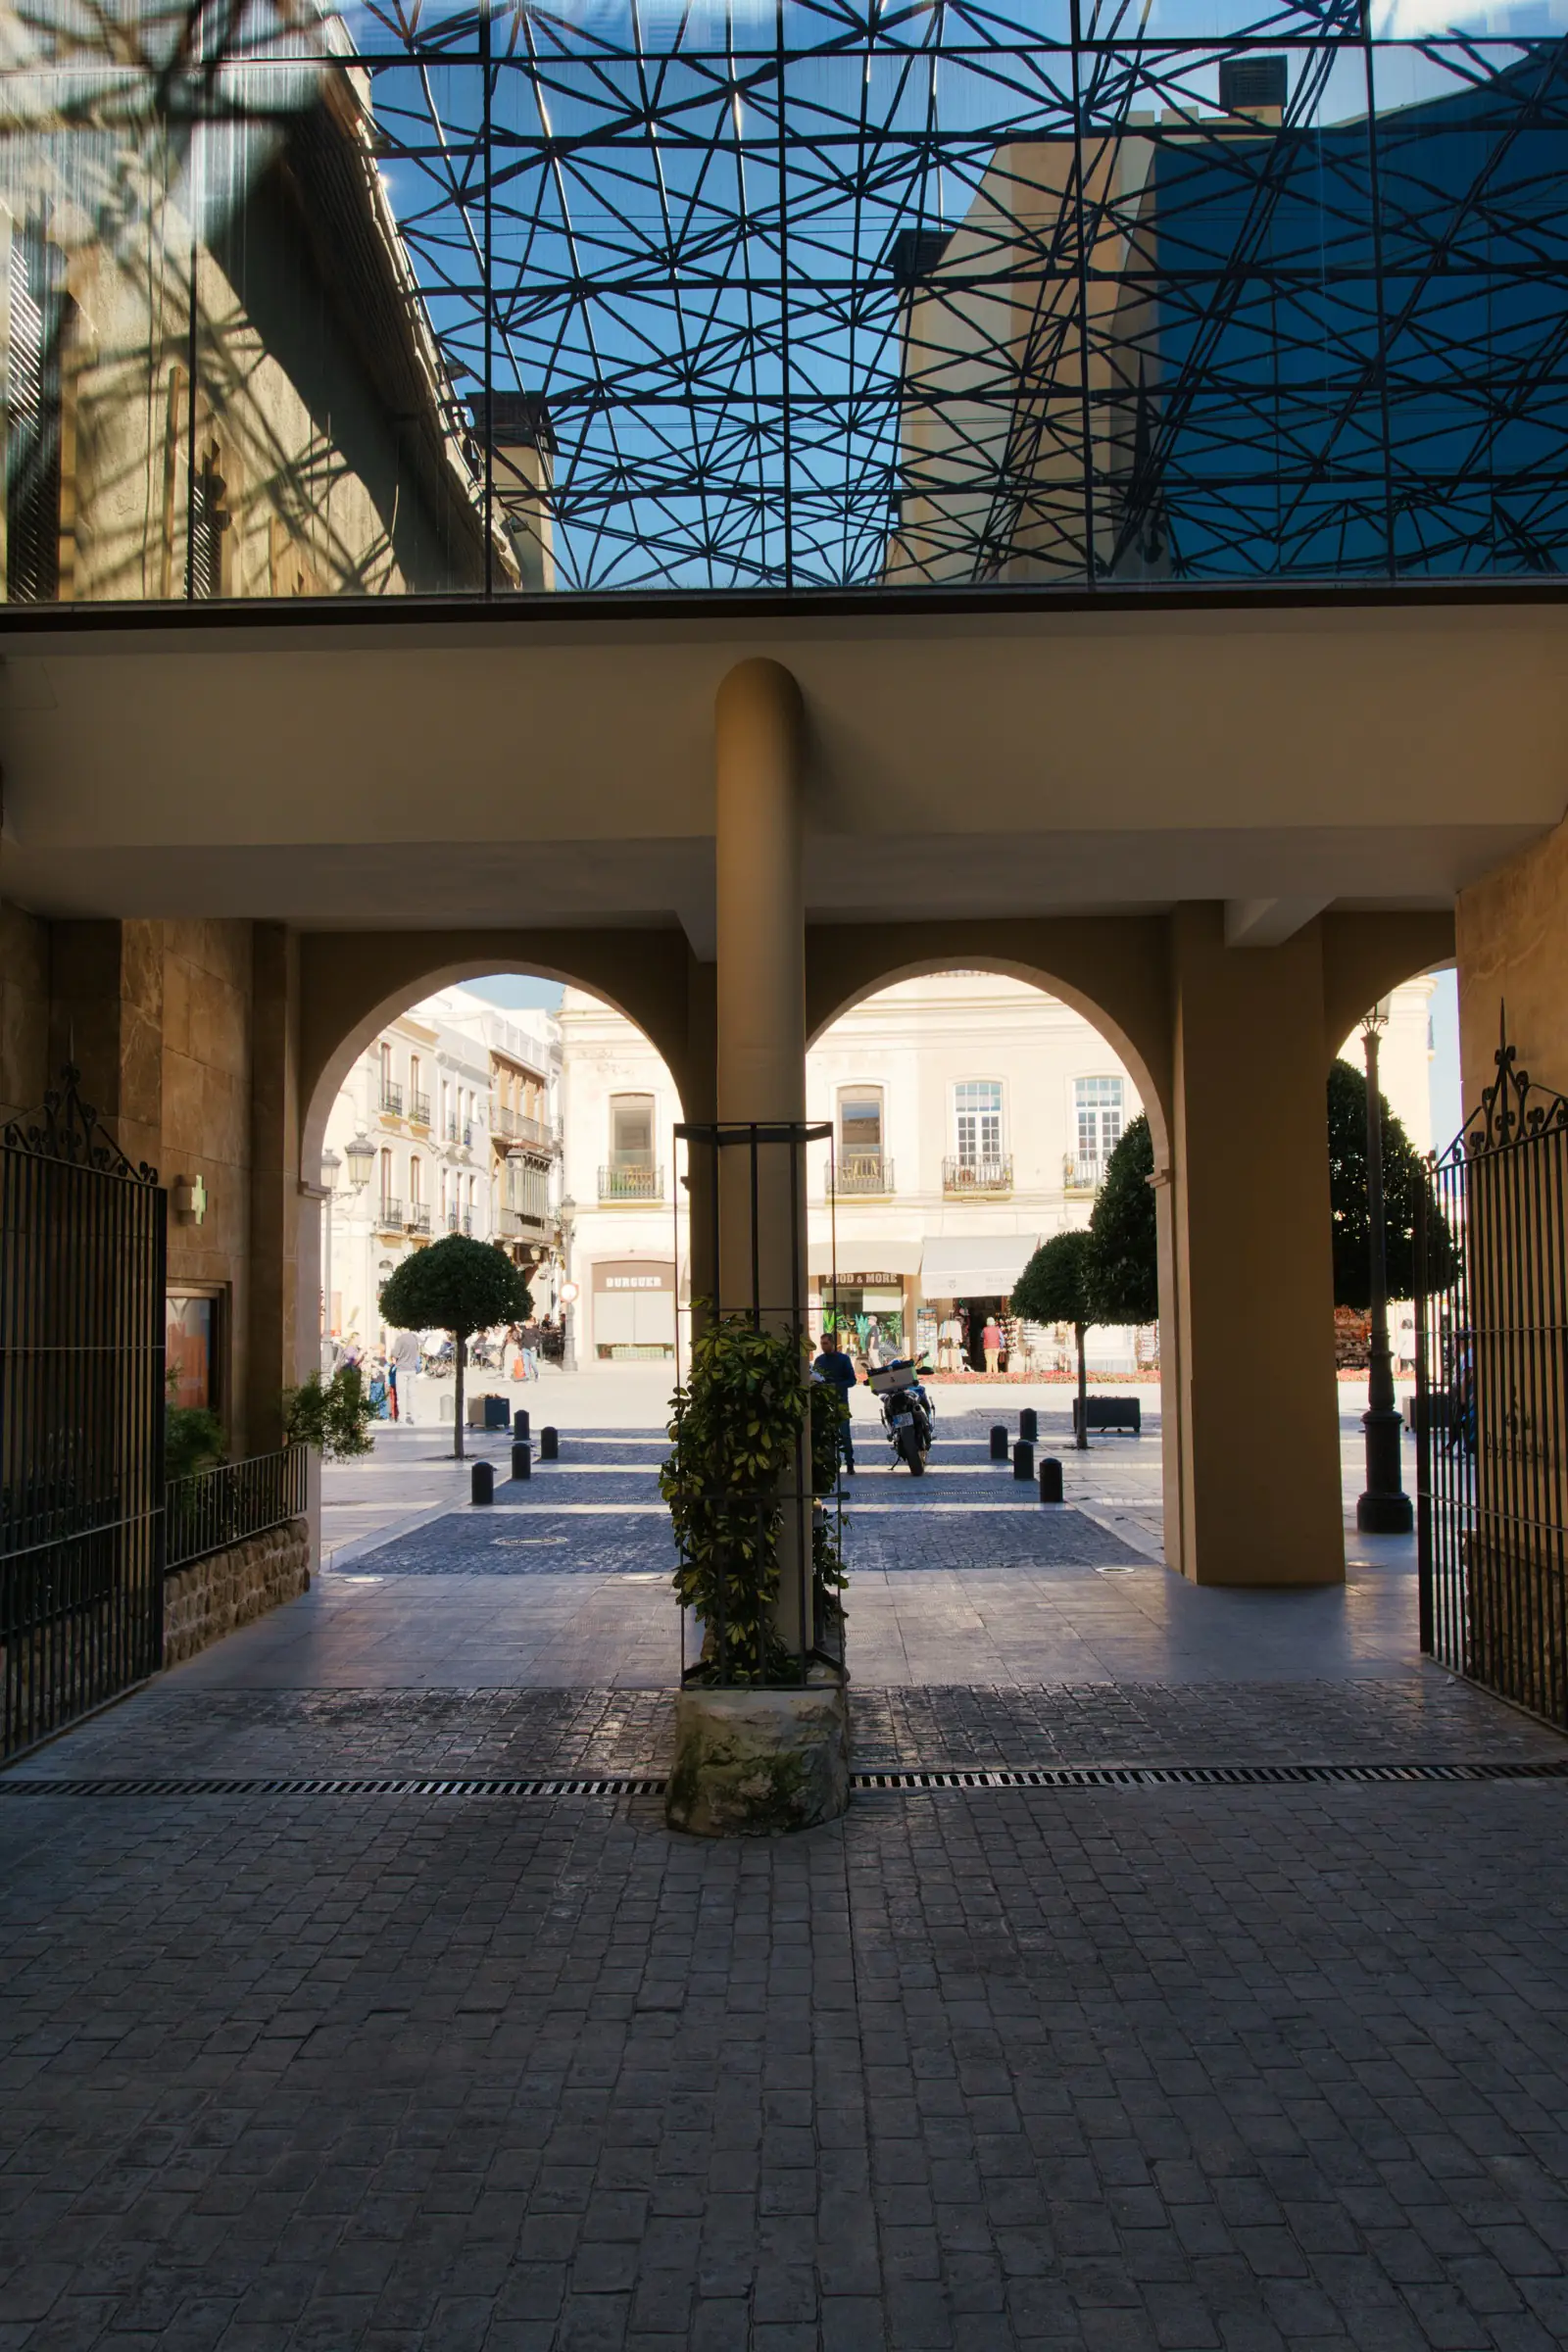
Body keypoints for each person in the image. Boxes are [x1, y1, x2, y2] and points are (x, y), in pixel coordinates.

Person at [812, 1327, 858, 1474]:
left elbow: (852, 1380)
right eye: (821, 1343)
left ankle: (849, 1463)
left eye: (825, 1343)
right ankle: (832, 1464)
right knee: (827, 1434)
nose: (823, 1346)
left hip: (841, 1401)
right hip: (825, 1403)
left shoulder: (843, 1359)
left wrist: (836, 1386)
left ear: (832, 1343)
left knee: (845, 1433)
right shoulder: (819, 1360)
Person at [389, 1325, 420, 1423]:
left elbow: (395, 1354)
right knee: (412, 1395)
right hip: (412, 1369)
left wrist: (392, 1351)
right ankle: (414, 1417)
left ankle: (402, 1418)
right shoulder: (414, 1338)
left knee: (401, 1395)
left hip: (401, 1369)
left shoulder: (400, 1339)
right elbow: (417, 1352)